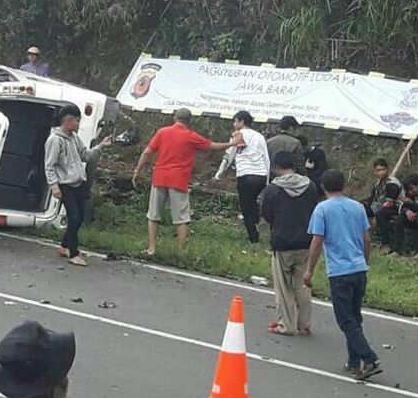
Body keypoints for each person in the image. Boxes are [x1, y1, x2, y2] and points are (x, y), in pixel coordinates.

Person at [303, 170, 382, 380]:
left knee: (345, 319)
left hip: (339, 272)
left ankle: (369, 358)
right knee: (355, 317)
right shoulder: (357, 207)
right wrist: (365, 262)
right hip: (359, 269)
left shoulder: (322, 209)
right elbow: (367, 239)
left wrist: (309, 270)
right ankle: (353, 361)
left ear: (323, 187)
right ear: (344, 185)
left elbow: (317, 241)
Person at [133, 108, 233, 255]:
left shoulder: (162, 132)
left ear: (175, 118)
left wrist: (137, 170)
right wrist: (232, 143)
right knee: (181, 218)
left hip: (160, 177)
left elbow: (147, 152)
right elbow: (213, 146)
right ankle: (181, 252)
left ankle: (151, 248)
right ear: (189, 121)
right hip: (179, 180)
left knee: (153, 214)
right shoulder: (191, 136)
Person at [45, 104, 111, 266]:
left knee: (80, 217)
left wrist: (100, 146)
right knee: (73, 217)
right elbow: (49, 165)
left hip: (78, 182)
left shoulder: (75, 138)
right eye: (77, 121)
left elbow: (85, 156)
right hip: (64, 184)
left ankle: (64, 245)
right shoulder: (55, 140)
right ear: (67, 121)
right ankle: (73, 253)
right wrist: (54, 186)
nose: (78, 124)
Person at [262, 151, 318, 336]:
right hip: (306, 241)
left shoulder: (273, 189)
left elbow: (267, 214)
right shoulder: (310, 186)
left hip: (282, 241)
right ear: (294, 166)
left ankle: (286, 324)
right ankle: (304, 324)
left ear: (277, 167)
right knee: (302, 284)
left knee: (283, 286)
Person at [214, 110, 270, 243]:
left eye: (235, 121)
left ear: (242, 122)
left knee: (246, 206)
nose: (234, 124)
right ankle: (256, 224)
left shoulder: (237, 135)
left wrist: (219, 173)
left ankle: (253, 237)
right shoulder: (259, 136)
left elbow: (229, 155)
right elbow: (266, 158)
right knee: (253, 202)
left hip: (245, 175)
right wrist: (267, 180)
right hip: (260, 175)